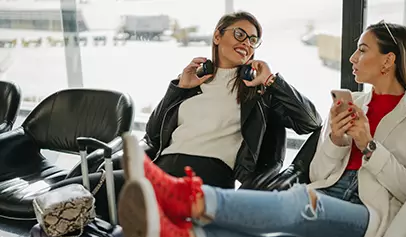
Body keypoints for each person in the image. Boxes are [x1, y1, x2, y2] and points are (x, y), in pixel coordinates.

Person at [116, 21, 406, 237]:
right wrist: (334, 138)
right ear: (217, 37)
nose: (351, 58)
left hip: (372, 222)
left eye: (362, 50)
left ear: (389, 60)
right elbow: (320, 175)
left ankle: (185, 197)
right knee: (271, 216)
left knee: (298, 202)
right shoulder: (356, 103)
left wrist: (368, 144)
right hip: (327, 199)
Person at [68, 11, 321, 219]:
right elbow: (153, 134)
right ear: (217, 36)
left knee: (99, 198)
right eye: (240, 34)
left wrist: (271, 80)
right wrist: (179, 87)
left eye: (253, 40)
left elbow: (311, 122)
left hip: (206, 176)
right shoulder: (195, 82)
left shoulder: (258, 92)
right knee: (75, 189)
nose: (246, 43)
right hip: (162, 168)